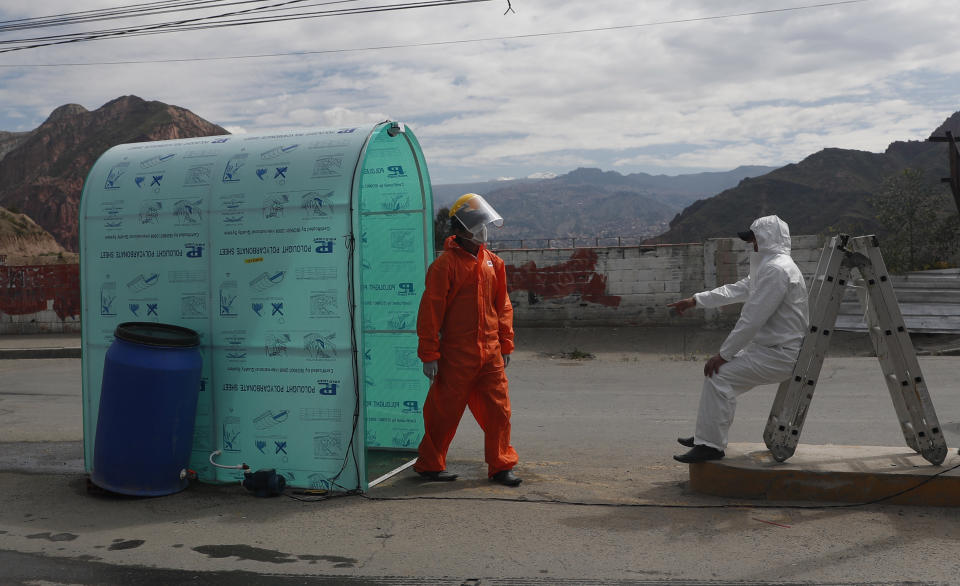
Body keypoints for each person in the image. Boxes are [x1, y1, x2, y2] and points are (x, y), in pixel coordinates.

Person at [667, 215, 809, 463]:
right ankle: (706, 436)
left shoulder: (776, 270)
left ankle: (710, 445)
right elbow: (736, 289)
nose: (751, 244)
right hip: (770, 350)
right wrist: (696, 300)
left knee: (719, 375)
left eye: (753, 239)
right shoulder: (771, 267)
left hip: (779, 354)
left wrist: (724, 354)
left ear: (766, 239)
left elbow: (752, 319)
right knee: (720, 381)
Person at [413, 193, 522, 486]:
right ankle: (429, 464)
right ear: (462, 228)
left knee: (499, 411)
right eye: (478, 224)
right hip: (456, 356)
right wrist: (429, 354)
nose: (484, 230)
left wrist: (505, 343)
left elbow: (503, 306)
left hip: (489, 354)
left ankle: (501, 466)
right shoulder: (445, 266)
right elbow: (430, 312)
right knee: (443, 413)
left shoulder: (493, 263)